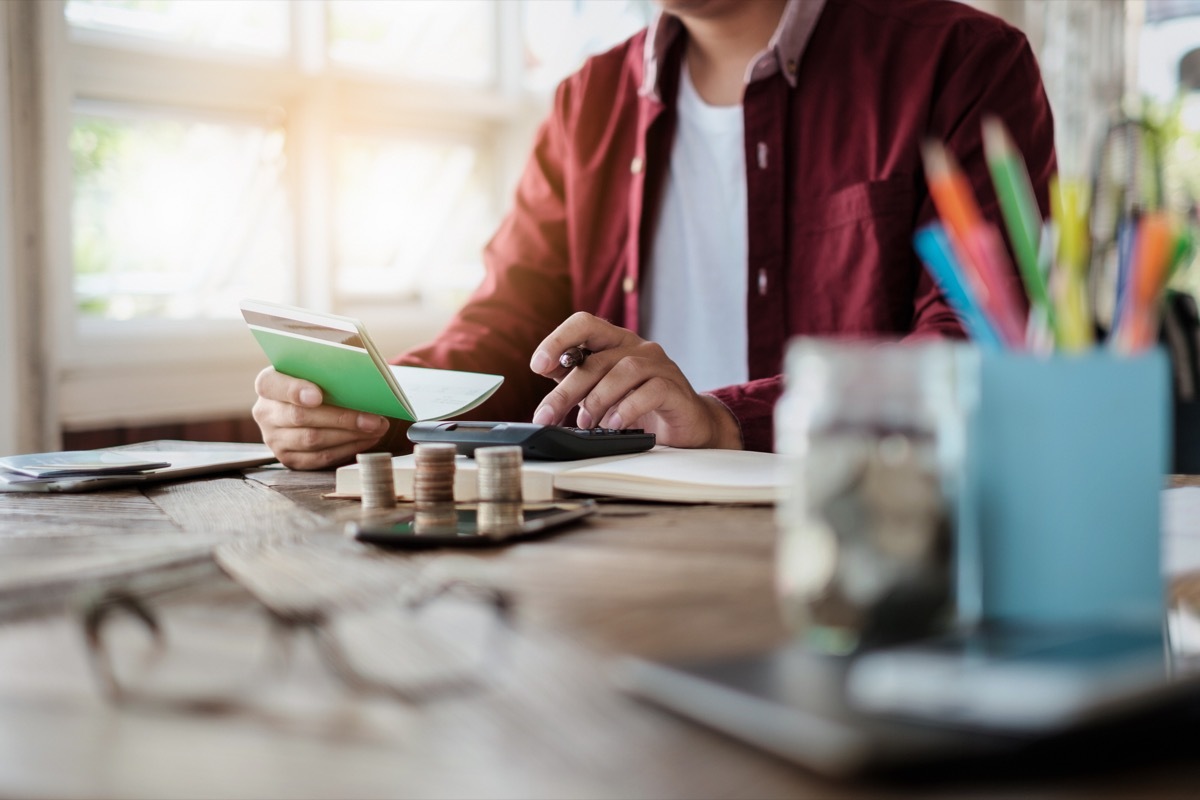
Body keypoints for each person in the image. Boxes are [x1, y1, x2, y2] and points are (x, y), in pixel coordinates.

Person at [254, 0, 1056, 470]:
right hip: (620, 541)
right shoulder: (585, 104)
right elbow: (502, 328)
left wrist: (728, 420)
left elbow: (979, 344)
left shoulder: (965, 62)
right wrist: (362, 407)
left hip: (872, 537)